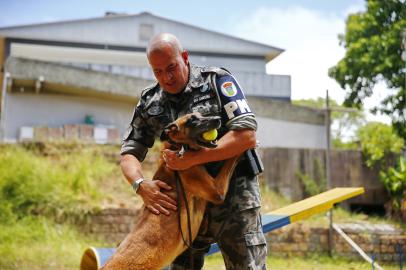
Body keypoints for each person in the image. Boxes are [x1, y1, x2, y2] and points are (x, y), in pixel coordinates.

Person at [120, 32, 267, 269]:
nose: (166, 77)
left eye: (171, 67)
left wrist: (195, 158)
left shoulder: (216, 81)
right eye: (157, 71)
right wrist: (140, 184)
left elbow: (246, 135)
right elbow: (129, 153)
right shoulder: (149, 100)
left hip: (234, 203)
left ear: (185, 57)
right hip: (183, 210)